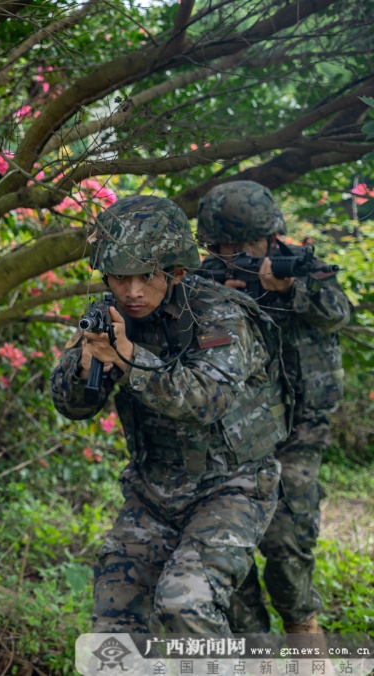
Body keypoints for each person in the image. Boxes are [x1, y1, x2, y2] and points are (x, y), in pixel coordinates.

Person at [49, 195, 289, 635]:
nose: (132, 291)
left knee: (185, 604)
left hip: (231, 488)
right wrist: (86, 366)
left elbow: (205, 400)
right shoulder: (111, 316)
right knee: (113, 614)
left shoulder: (219, 315)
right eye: (120, 278)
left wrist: (128, 359)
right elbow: (70, 406)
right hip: (152, 491)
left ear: (176, 272)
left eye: (146, 277)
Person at [196, 181, 351, 635]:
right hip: (233, 435)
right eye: (226, 245)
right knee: (234, 562)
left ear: (271, 236)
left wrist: (288, 290)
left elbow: (337, 312)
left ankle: (305, 633)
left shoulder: (301, 267)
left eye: (247, 243)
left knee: (287, 547)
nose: (238, 252)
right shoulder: (205, 279)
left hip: (299, 431)